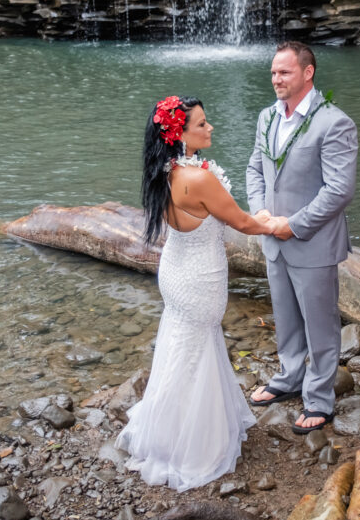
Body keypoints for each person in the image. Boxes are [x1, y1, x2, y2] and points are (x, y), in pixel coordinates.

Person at [116, 95, 276, 492]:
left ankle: (167, 429)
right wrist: (275, 222)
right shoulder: (201, 179)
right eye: (201, 124)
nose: (210, 128)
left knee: (181, 348)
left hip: (174, 271)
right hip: (201, 278)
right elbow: (243, 223)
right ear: (179, 134)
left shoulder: (164, 172)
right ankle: (192, 445)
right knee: (197, 351)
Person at [246, 41, 358, 434]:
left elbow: (340, 190)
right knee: (286, 317)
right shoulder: (267, 117)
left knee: (320, 325)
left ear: (307, 73)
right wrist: (261, 213)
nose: (276, 78)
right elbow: (255, 169)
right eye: (274, 72)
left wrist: (292, 224)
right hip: (273, 239)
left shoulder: (334, 122)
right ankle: (289, 377)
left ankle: (320, 400)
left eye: (284, 72)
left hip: (311, 241)